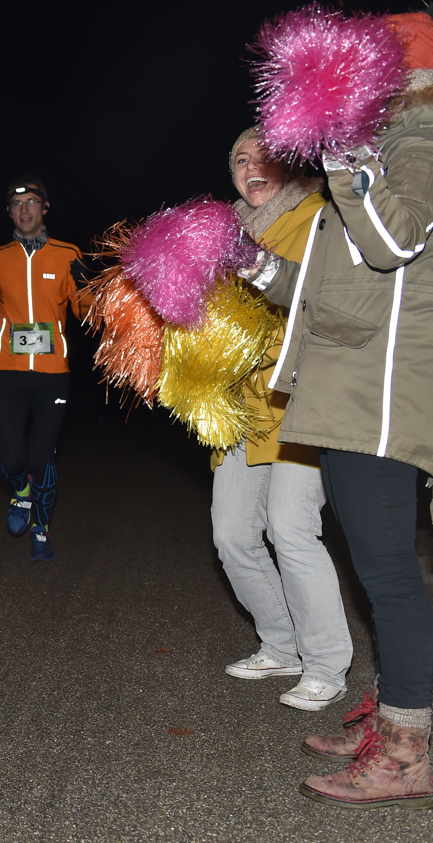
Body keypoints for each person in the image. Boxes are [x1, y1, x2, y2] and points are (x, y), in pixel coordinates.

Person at [243, 12, 433, 808]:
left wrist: (348, 158)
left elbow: (395, 242)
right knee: (379, 568)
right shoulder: (382, 151)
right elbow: (333, 293)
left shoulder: (416, 142)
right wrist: (255, 267)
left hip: (382, 397)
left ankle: (408, 746)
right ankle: (394, 717)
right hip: (353, 388)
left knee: (389, 573)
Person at [213, 130, 353, 712]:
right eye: (239, 160)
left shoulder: (322, 215)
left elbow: (319, 302)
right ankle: (281, 645)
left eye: (261, 156)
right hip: (242, 404)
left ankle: (327, 665)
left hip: (301, 399)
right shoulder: (226, 233)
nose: (251, 167)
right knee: (230, 533)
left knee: (290, 530)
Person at [0, 179, 87, 561]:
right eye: (17, 204)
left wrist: (88, 291)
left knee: (40, 457)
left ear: (45, 207)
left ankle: (41, 530)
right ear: (9, 211)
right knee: (12, 457)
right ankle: (21, 494)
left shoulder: (68, 254)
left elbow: (84, 313)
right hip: (8, 368)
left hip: (53, 371)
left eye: (32, 202)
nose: (25, 209)